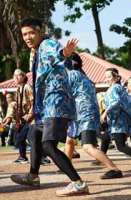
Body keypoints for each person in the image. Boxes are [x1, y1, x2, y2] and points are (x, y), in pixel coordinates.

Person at [10, 18, 89, 197]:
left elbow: (57, 54)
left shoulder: (47, 44)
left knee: (48, 145)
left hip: (56, 102)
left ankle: (78, 183)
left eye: (31, 33)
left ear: (40, 31)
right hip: (45, 106)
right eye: (24, 34)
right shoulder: (35, 51)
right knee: (34, 134)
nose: (28, 37)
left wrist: (64, 52)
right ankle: (33, 176)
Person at [64, 53, 123, 179]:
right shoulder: (84, 76)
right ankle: (66, 166)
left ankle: (114, 169)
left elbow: (64, 93)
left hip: (84, 114)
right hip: (82, 114)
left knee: (87, 147)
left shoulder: (72, 75)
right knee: (69, 140)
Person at [101, 68, 131, 168]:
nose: (107, 79)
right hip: (118, 121)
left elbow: (116, 102)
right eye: (106, 77)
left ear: (116, 77)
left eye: (109, 77)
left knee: (120, 146)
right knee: (106, 138)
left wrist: (105, 113)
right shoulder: (119, 87)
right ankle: (101, 157)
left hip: (118, 121)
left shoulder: (115, 88)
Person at [12, 69, 34, 164]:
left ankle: (42, 157)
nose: (16, 77)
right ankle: (22, 156)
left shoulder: (27, 87)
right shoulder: (18, 89)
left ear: (24, 76)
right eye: (14, 75)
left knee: (30, 138)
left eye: (19, 75)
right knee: (19, 138)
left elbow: (34, 101)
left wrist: (30, 114)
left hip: (30, 118)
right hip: (21, 118)